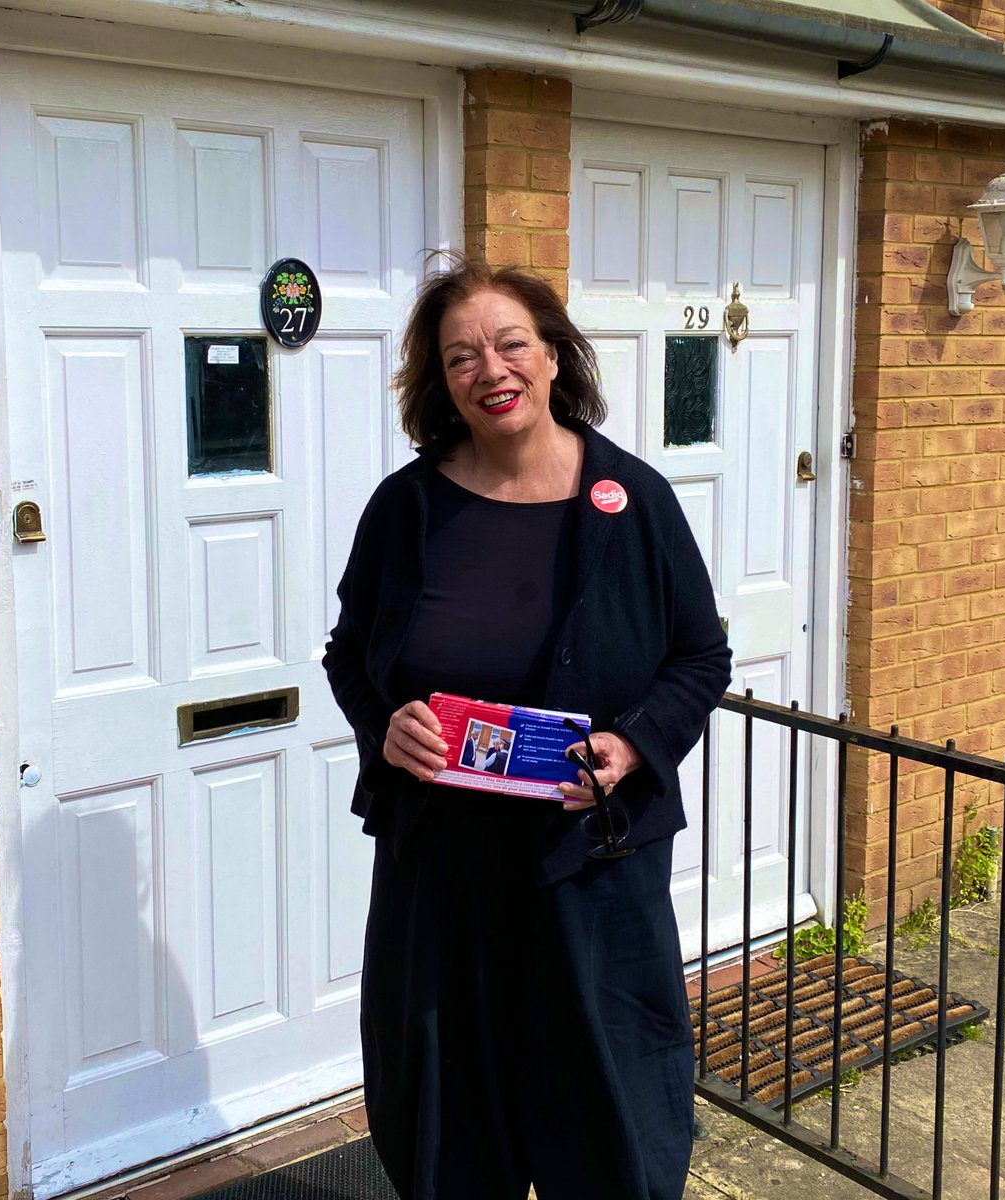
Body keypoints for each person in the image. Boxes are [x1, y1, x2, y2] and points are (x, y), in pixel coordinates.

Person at [323, 256, 731, 1200]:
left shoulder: (633, 505)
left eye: (511, 344)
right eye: (461, 356)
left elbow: (700, 659)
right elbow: (349, 653)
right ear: (441, 382)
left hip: (590, 873)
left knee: (607, 1119)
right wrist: (386, 726)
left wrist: (633, 745)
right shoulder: (406, 509)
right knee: (448, 1123)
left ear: (552, 357)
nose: (490, 369)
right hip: (443, 882)